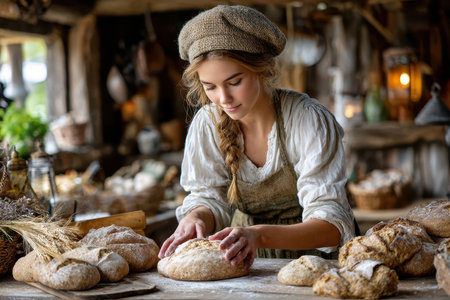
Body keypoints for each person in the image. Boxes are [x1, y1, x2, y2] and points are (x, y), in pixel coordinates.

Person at [158, 5, 357, 269]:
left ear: (262, 69)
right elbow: (209, 198)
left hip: (318, 266)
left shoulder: (307, 120)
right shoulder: (208, 124)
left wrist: (259, 235)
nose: (224, 99)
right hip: (248, 266)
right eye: (210, 87)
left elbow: (332, 225)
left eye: (235, 82)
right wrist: (196, 217)